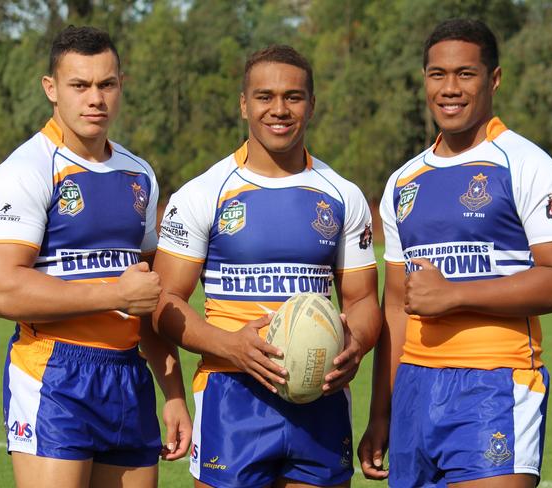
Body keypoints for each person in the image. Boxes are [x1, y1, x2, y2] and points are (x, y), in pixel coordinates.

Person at [358, 18, 552, 488]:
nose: (450, 88)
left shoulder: (529, 166)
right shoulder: (403, 182)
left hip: (495, 383)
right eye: (437, 74)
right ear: (424, 79)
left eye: (466, 74)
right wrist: (381, 412)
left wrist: (455, 295)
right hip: (414, 391)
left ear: (494, 79)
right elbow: (397, 307)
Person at [152, 45, 382, 488]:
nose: (279, 109)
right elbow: (163, 302)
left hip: (320, 395)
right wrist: (230, 345)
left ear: (311, 105)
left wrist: (358, 342)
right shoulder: (203, 194)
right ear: (244, 104)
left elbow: (363, 300)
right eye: (264, 96)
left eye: (293, 97)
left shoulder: (342, 195)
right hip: (230, 395)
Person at [0, 26, 191, 488]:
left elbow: (149, 298)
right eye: (79, 85)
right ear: (51, 89)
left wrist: (173, 391)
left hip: (128, 374)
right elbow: (2, 290)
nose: (95, 98)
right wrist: (114, 292)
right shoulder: (26, 171)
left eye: (106, 84)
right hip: (54, 373)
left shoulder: (139, 174)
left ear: (120, 85)